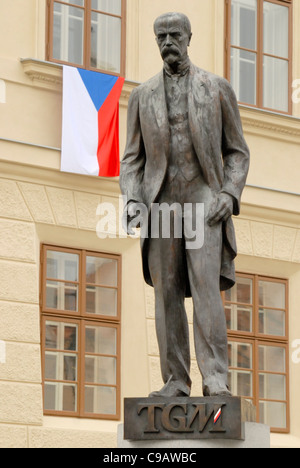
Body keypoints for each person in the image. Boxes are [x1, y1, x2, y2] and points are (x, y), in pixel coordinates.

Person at [120, 12, 250, 397]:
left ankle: (215, 377)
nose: (167, 42)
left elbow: (237, 152)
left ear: (189, 37)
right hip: (159, 202)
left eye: (174, 34)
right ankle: (175, 380)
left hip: (204, 199)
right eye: (160, 36)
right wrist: (131, 199)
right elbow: (131, 158)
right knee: (166, 293)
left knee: (206, 286)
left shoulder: (216, 88)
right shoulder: (142, 96)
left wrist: (228, 193)